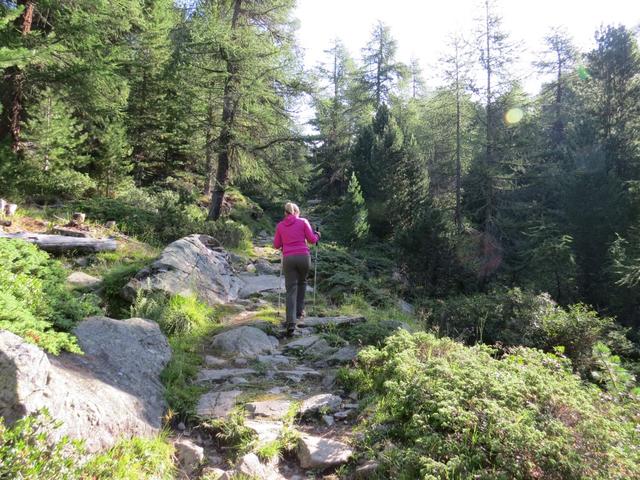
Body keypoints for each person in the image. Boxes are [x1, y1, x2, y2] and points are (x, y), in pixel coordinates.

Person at [273, 202, 320, 335]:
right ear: (297, 212)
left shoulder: (280, 225)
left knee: (291, 289)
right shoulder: (303, 222)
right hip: (303, 257)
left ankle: (291, 322)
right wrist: (318, 235)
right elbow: (312, 240)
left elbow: (276, 245)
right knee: (302, 282)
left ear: (285, 213)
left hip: (288, 258)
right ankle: (299, 313)